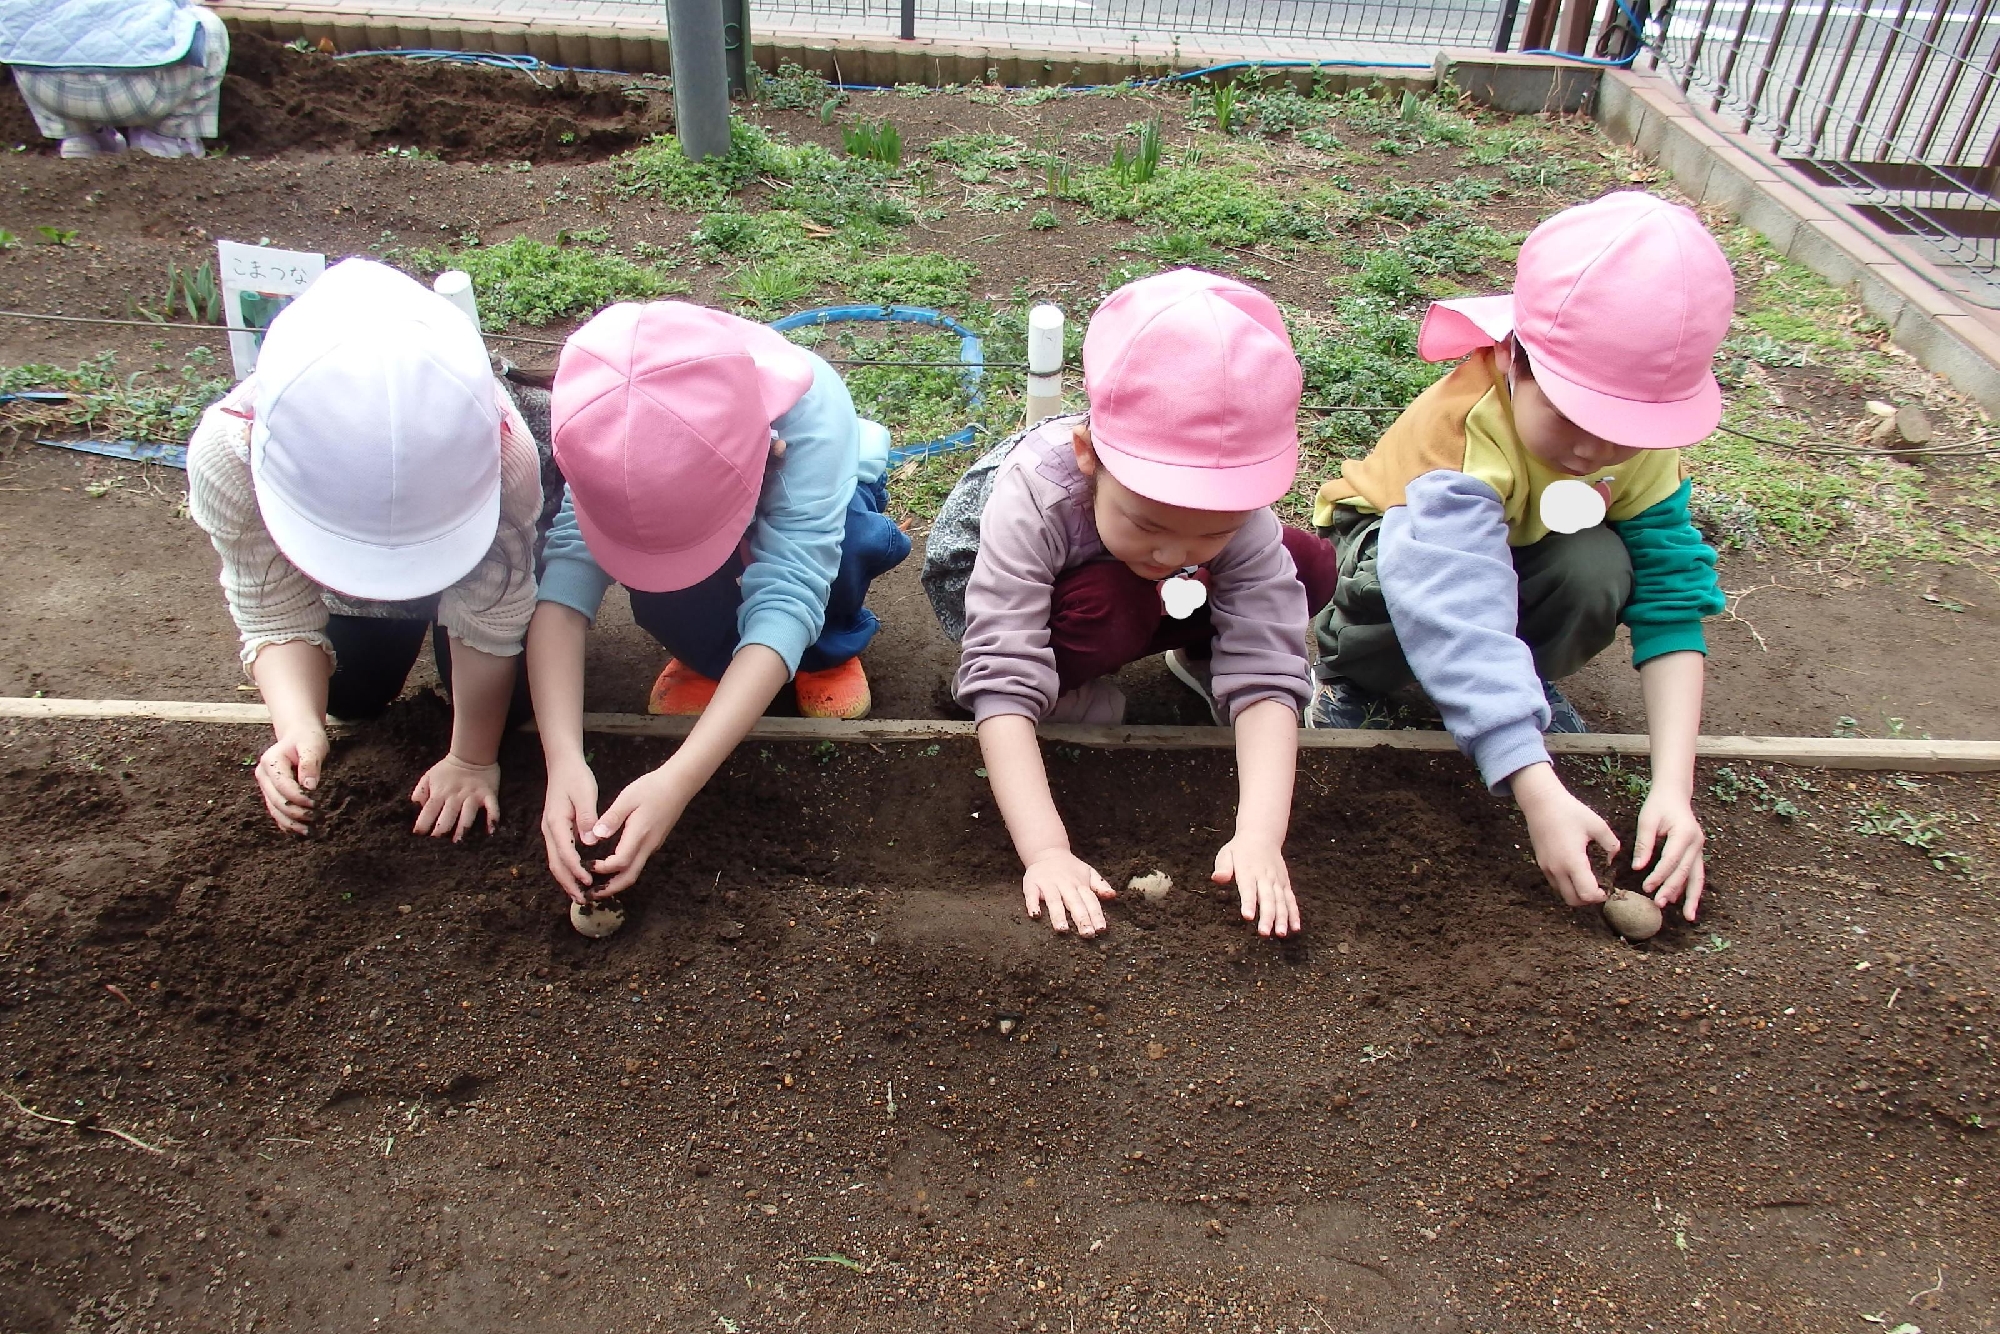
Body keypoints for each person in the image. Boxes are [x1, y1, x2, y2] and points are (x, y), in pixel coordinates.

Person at [1304, 191, 1732, 919]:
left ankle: (1517, 681)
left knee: (1597, 566)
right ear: (1510, 359)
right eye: (1571, 414)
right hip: (1388, 553)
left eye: (1622, 428)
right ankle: (1356, 679)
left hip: (1510, 557)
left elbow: (1670, 595)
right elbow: (1456, 606)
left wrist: (1672, 788)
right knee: (1395, 578)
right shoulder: (1465, 434)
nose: (1594, 450)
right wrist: (1534, 787)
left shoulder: (1643, 449)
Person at [923, 270, 1336, 940]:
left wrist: (1259, 838)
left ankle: (1199, 659)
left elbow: (1269, 663)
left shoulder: (1234, 515)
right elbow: (1003, 668)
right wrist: (1048, 853)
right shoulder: (1038, 494)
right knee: (1110, 603)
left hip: (1123, 584)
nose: (1178, 550)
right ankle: (1064, 694)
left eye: (1214, 530)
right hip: (1009, 595)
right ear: (1089, 455)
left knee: (1304, 563)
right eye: (1149, 524)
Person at [529, 300, 910, 900]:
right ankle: (711, 658)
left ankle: (830, 652)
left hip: (827, 495)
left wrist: (677, 780)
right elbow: (565, 586)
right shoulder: (604, 425)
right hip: (710, 488)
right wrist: (563, 760)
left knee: (846, 552)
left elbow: (792, 585)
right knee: (676, 597)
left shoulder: (811, 412)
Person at [186, 258, 544, 840]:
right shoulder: (228, 453)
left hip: (480, 564)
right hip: (346, 590)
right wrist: (298, 726)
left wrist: (473, 758)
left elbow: (494, 606)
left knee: (510, 712)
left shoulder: (507, 456)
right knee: (348, 697)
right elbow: (268, 604)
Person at [1, 0, 228, 160]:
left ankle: (78, 140)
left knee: (22, 39)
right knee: (206, 24)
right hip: (141, 92)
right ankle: (164, 142)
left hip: (49, 91)